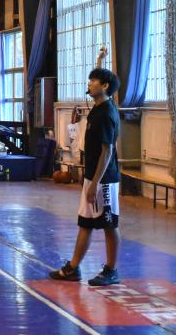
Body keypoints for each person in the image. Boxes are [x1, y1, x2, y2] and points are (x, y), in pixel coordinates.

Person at [49, 65, 121, 287]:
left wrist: (95, 184)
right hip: (92, 177)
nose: (89, 84)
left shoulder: (107, 113)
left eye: (93, 81)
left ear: (105, 86)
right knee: (85, 223)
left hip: (104, 180)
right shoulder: (98, 108)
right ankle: (73, 267)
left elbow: (107, 151)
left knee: (109, 224)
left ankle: (111, 270)